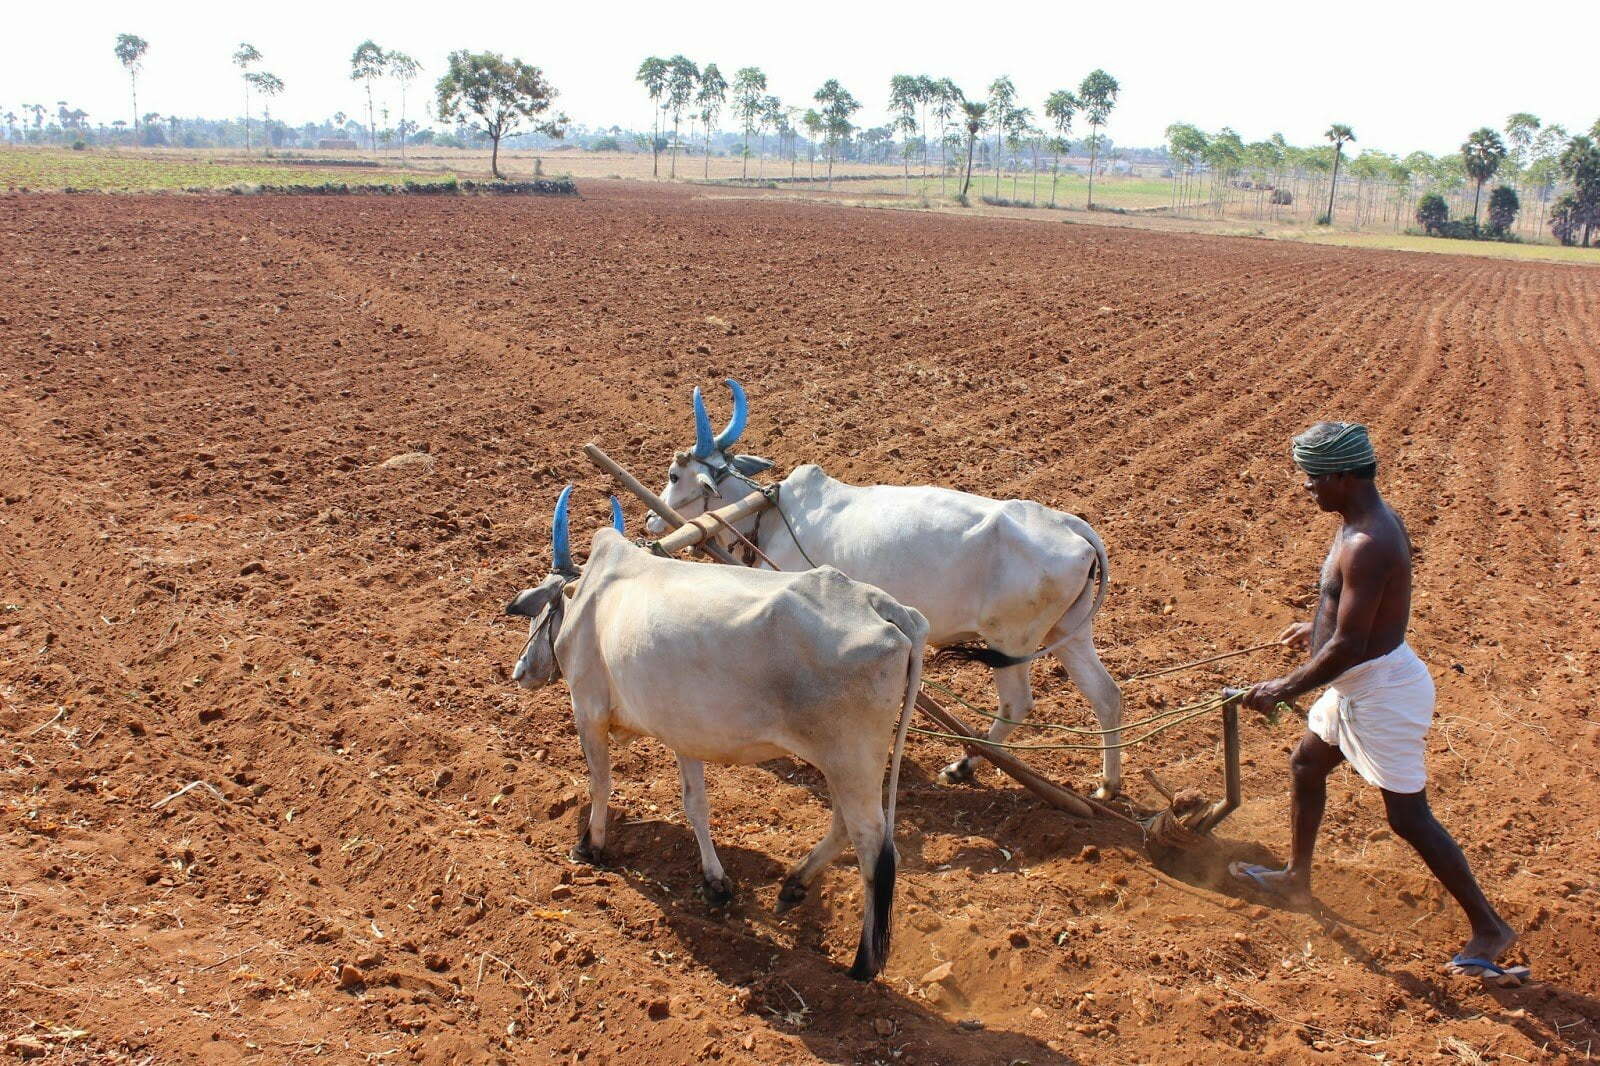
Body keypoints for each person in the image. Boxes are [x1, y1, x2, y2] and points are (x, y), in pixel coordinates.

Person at [1231, 421, 1524, 984]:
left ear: (1341, 476)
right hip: (1360, 682)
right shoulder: (1360, 524)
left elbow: (1351, 643)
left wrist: (1283, 687)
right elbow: (1347, 616)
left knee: (1408, 817)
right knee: (1307, 763)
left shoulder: (1368, 542)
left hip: (1383, 691)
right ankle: (1296, 876)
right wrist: (1309, 627)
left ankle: (1490, 928)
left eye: (1313, 477)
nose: (1306, 487)